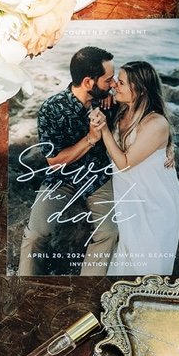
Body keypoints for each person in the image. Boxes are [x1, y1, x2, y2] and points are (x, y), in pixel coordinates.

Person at [17, 46, 119, 276]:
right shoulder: (52, 109)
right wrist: (91, 139)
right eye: (108, 79)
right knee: (35, 235)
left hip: (98, 177)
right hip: (61, 179)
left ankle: (88, 288)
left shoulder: (107, 102)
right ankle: (26, 289)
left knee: (109, 233)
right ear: (88, 82)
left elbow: (142, 111)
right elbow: (54, 161)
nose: (113, 84)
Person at [92, 61, 179, 276]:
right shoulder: (120, 111)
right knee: (123, 263)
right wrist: (103, 97)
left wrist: (104, 130)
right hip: (127, 197)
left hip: (155, 202)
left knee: (148, 267)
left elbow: (124, 163)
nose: (114, 85)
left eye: (121, 83)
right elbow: (87, 91)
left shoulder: (156, 123)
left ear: (139, 89)